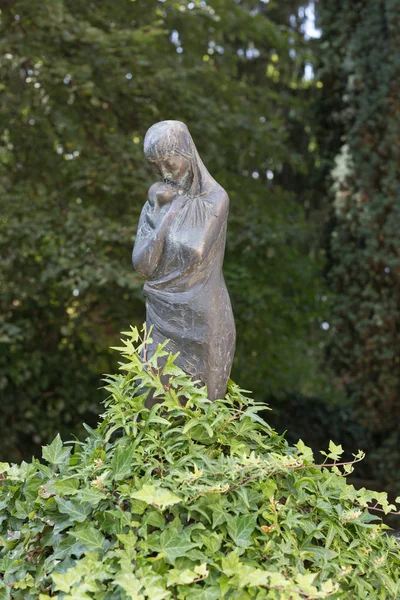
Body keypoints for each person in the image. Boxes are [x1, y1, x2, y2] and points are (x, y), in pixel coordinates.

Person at [133, 120, 235, 401]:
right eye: (156, 166)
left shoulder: (215, 200)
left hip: (202, 317)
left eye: (169, 162)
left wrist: (174, 207)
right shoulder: (156, 203)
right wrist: (166, 215)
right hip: (160, 313)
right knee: (152, 402)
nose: (164, 173)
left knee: (203, 416)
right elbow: (142, 264)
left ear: (187, 153)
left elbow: (194, 252)